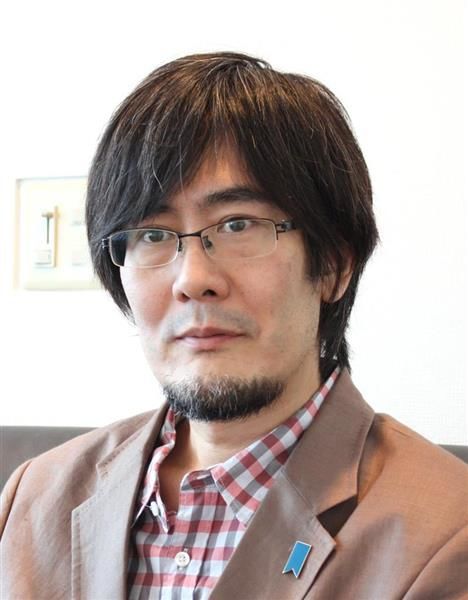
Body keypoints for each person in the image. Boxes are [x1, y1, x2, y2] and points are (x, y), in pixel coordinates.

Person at [1, 52, 467, 600]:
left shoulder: (446, 533)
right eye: (153, 235)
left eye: (238, 224)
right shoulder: (34, 497)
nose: (193, 279)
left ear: (334, 266)